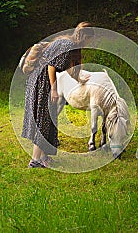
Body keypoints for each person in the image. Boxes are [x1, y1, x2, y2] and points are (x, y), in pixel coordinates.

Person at [21, 22, 94, 168]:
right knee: (44, 120)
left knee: (50, 119)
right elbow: (51, 66)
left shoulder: (72, 46)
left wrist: (78, 79)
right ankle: (35, 161)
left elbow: (67, 67)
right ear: (84, 37)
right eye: (89, 39)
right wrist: (54, 89)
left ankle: (43, 157)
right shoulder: (66, 44)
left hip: (44, 81)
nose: (90, 43)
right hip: (41, 82)